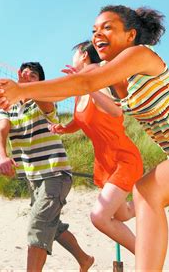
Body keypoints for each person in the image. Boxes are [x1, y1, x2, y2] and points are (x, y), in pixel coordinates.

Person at [0, 5, 169, 270]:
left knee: (146, 191)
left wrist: (21, 90)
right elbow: (66, 90)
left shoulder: (140, 55)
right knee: (145, 194)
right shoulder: (100, 71)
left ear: (130, 35)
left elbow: (84, 85)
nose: (97, 34)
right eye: (94, 30)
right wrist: (21, 92)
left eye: (107, 27)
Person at [0, 61, 94, 272]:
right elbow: (0, 132)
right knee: (52, 226)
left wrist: (24, 87)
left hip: (55, 173)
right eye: (24, 74)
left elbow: (43, 99)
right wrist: (2, 156)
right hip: (33, 177)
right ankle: (85, 259)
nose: (27, 77)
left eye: (33, 76)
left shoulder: (45, 100)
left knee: (37, 226)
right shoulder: (9, 107)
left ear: (40, 81)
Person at [50, 40, 142, 253]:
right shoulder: (81, 88)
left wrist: (88, 86)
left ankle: (146, 260)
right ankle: (155, 196)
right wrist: (63, 128)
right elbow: (83, 119)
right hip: (104, 162)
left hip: (123, 158)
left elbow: (116, 112)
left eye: (74, 53)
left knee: (99, 217)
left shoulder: (99, 79)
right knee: (124, 214)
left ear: (83, 55)